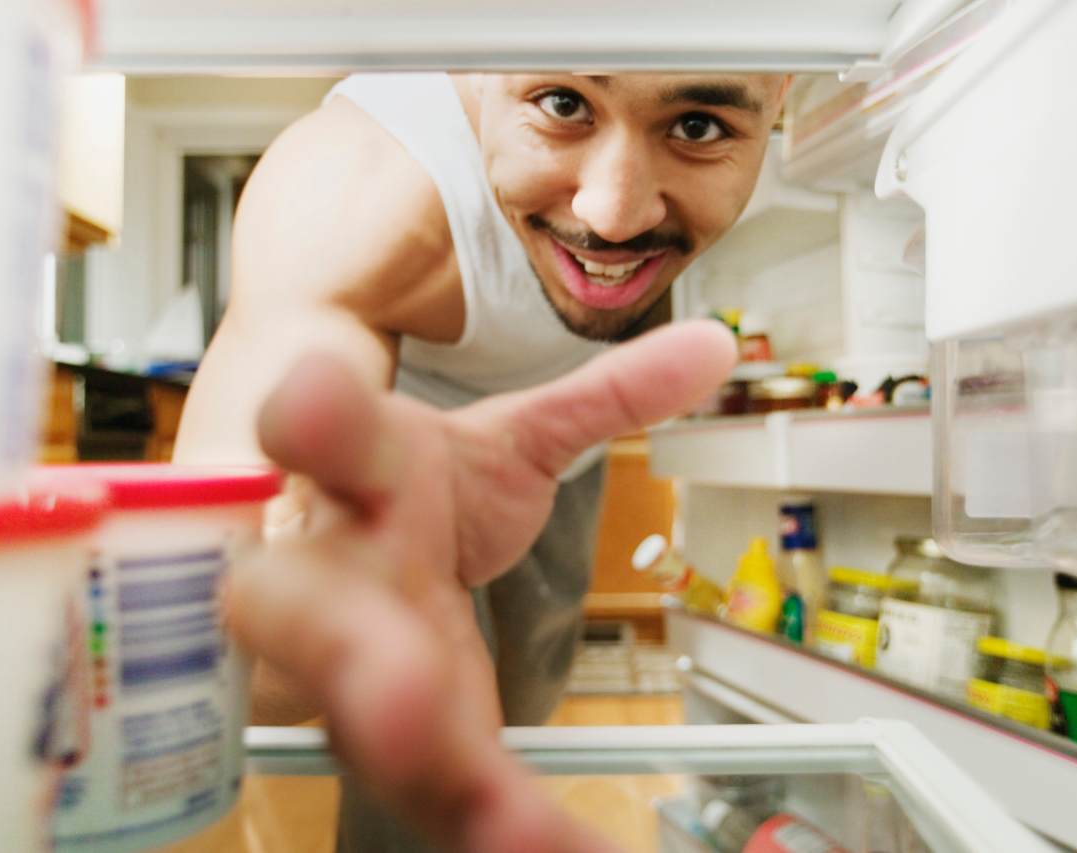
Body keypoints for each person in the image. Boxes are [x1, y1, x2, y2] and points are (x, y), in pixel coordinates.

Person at [175, 71, 789, 850]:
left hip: (559, 446)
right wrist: (331, 596)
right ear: (474, 68)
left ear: (782, 94)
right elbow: (226, 647)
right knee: (412, 749)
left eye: (698, 127)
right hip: (392, 466)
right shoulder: (353, 188)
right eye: (564, 105)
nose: (613, 211)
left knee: (527, 702)